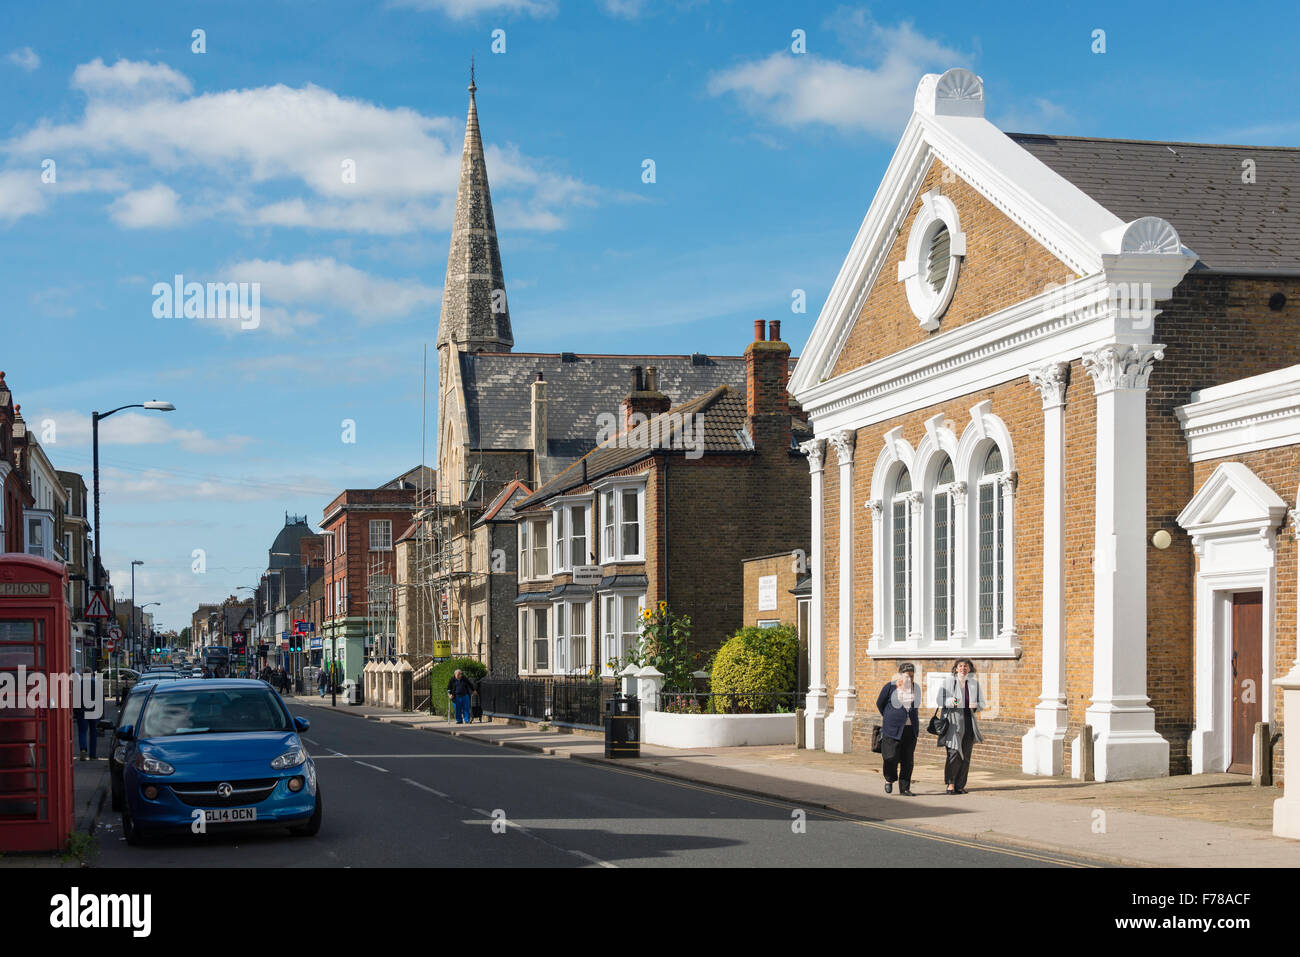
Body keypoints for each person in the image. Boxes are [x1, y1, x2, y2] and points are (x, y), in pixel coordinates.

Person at [938, 658, 986, 794]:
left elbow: (982, 702)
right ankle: (950, 784)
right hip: (953, 723)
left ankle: (960, 785)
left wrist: (976, 705)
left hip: (969, 722)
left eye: (966, 666)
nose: (963, 668)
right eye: (960, 666)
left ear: (969, 669)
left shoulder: (974, 684)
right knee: (954, 754)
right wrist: (951, 701)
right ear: (956, 668)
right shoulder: (948, 683)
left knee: (965, 755)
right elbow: (939, 700)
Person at [875, 663, 919, 795]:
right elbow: (880, 703)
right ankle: (889, 779)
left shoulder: (915, 688)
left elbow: (915, 706)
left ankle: (905, 788)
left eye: (911, 675)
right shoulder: (890, 687)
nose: (909, 678)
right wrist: (889, 717)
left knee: (908, 760)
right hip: (892, 728)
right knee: (890, 757)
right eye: (907, 675)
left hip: (910, 729)